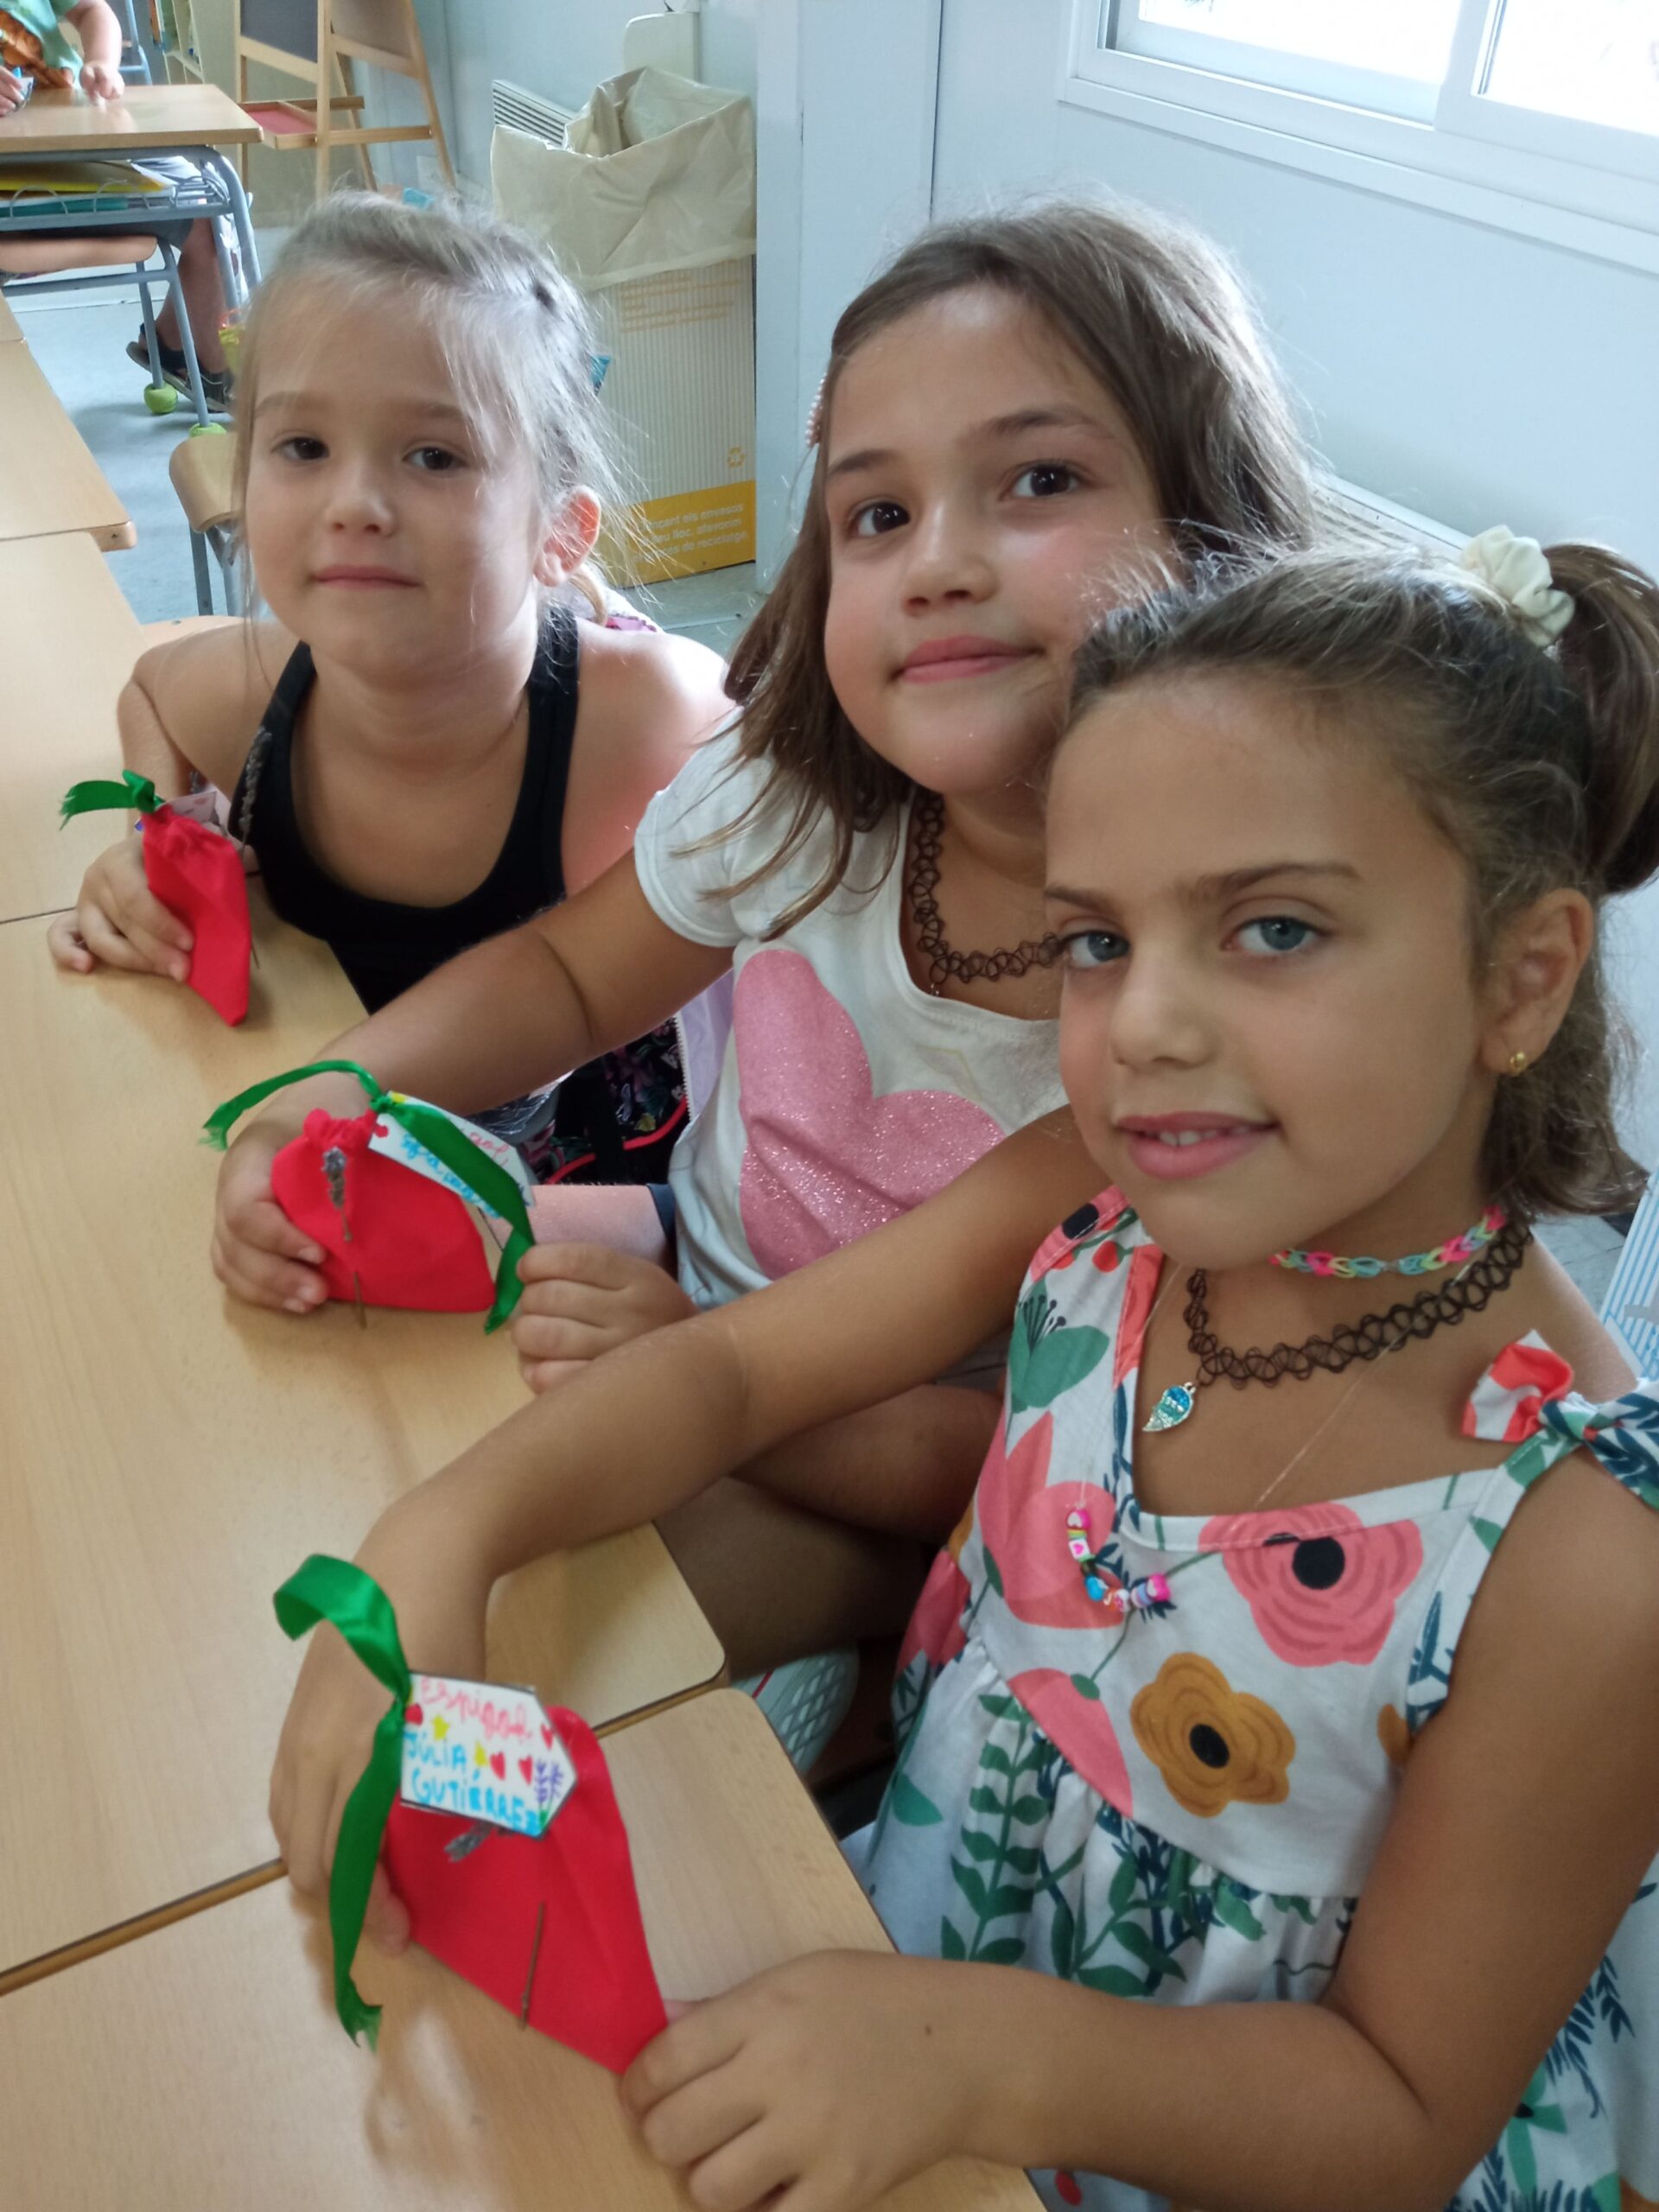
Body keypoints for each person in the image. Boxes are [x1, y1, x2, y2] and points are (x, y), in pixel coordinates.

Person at [270, 528, 1659, 2211]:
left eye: (1275, 928)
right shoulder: (1094, 1193)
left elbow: (1400, 2105)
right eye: (1098, 941)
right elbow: (727, 1378)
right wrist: (438, 1542)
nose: (1145, 1027)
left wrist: (982, 2059)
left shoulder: (1592, 1545)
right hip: (917, 1986)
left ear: (1523, 977)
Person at [207, 194, 1319, 1675]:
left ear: (1217, 537)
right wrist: (325, 1092)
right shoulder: (800, 800)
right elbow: (563, 975)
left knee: (556, 1643)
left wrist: (685, 1364)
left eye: (1039, 480)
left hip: (932, 1483)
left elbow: (1047, 1462)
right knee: (313, 1414)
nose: (937, 563)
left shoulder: (1197, 1014)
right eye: (879, 514)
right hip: (679, 1302)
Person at [49, 191, 728, 1192]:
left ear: (560, 532)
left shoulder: (645, 722)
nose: (355, 503)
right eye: (303, 447)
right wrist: (152, 833)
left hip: (585, 1182)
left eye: (434, 456)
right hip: (305, 1126)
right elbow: (150, 689)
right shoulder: (256, 693)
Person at [0, 0, 235, 409]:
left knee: (212, 207)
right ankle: (198, 359)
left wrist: (101, 63)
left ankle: (185, 351)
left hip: (84, 140)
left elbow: (93, 11)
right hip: (16, 177)